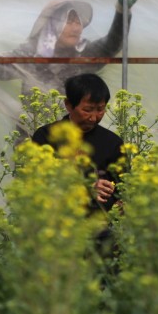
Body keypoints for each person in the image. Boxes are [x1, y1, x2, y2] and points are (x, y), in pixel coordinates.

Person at [0, 0, 145, 111]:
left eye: (79, 22)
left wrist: (122, 11)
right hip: (32, 138)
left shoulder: (83, 53)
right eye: (69, 20)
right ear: (52, 24)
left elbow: (112, 45)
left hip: (74, 141)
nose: (76, 27)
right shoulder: (32, 54)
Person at [31, 73, 124, 215]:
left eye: (100, 109)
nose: (93, 118)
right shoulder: (46, 137)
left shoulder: (112, 142)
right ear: (68, 105)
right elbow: (37, 182)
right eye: (87, 110)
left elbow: (124, 186)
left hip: (100, 228)